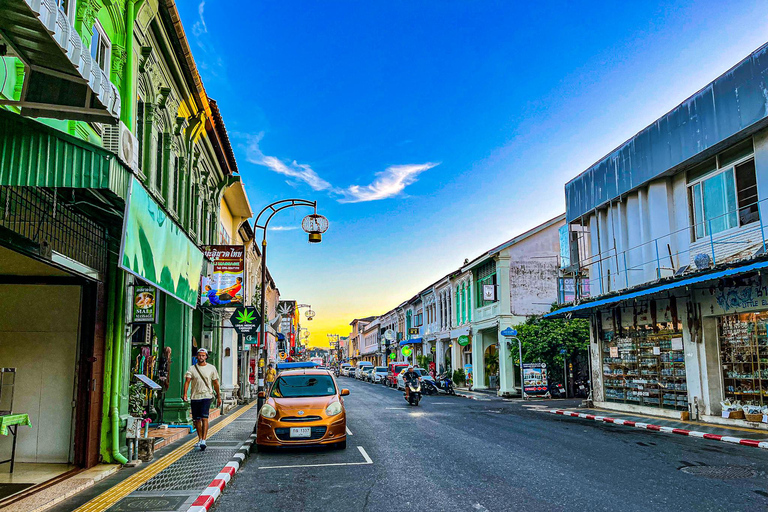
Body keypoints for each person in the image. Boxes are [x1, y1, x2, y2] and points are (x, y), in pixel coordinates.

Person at [182, 348, 222, 451]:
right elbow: (187, 381)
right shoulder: (192, 368)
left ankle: (204, 440)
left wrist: (219, 396)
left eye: (203, 355)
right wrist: (185, 394)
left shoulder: (211, 368)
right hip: (195, 397)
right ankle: (200, 439)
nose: (201, 357)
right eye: (199, 355)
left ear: (206, 357)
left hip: (207, 396)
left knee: (204, 417)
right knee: (196, 420)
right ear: (197, 356)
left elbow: (215, 383)